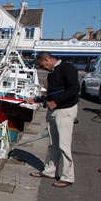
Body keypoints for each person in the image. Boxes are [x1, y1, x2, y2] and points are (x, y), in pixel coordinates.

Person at [27, 52, 80, 187]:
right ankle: (50, 171)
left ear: (46, 59)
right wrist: (38, 99)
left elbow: (74, 89)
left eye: (42, 65)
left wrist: (56, 102)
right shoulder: (53, 72)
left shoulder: (67, 68)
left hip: (65, 111)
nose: (42, 68)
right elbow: (53, 93)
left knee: (64, 145)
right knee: (53, 143)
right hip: (54, 112)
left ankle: (67, 177)